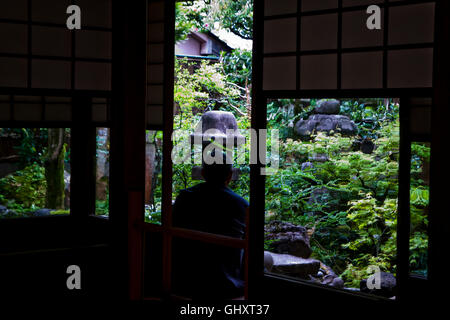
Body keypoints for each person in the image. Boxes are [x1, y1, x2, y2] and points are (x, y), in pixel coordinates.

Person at [172, 151, 248, 299]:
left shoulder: (185, 198)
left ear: (203, 173)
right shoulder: (241, 205)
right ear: (230, 175)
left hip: (185, 281)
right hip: (226, 285)